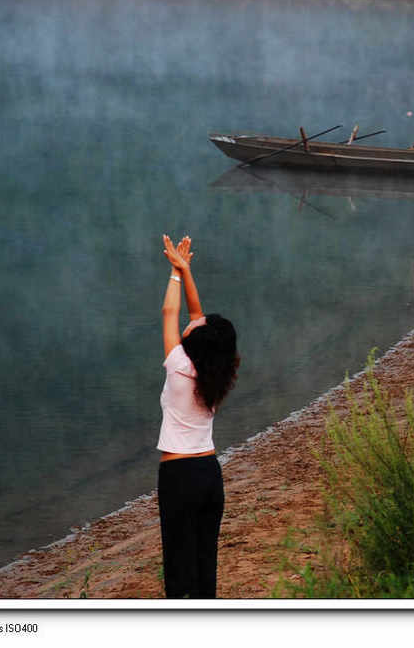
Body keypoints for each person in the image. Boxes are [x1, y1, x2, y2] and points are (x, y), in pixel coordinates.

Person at [156, 233, 240, 599]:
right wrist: (186, 270)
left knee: (178, 573)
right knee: (206, 571)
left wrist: (175, 273)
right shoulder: (218, 374)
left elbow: (171, 313)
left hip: (178, 476)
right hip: (210, 474)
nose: (196, 321)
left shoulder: (178, 367)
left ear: (197, 340)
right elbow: (192, 315)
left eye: (200, 326)